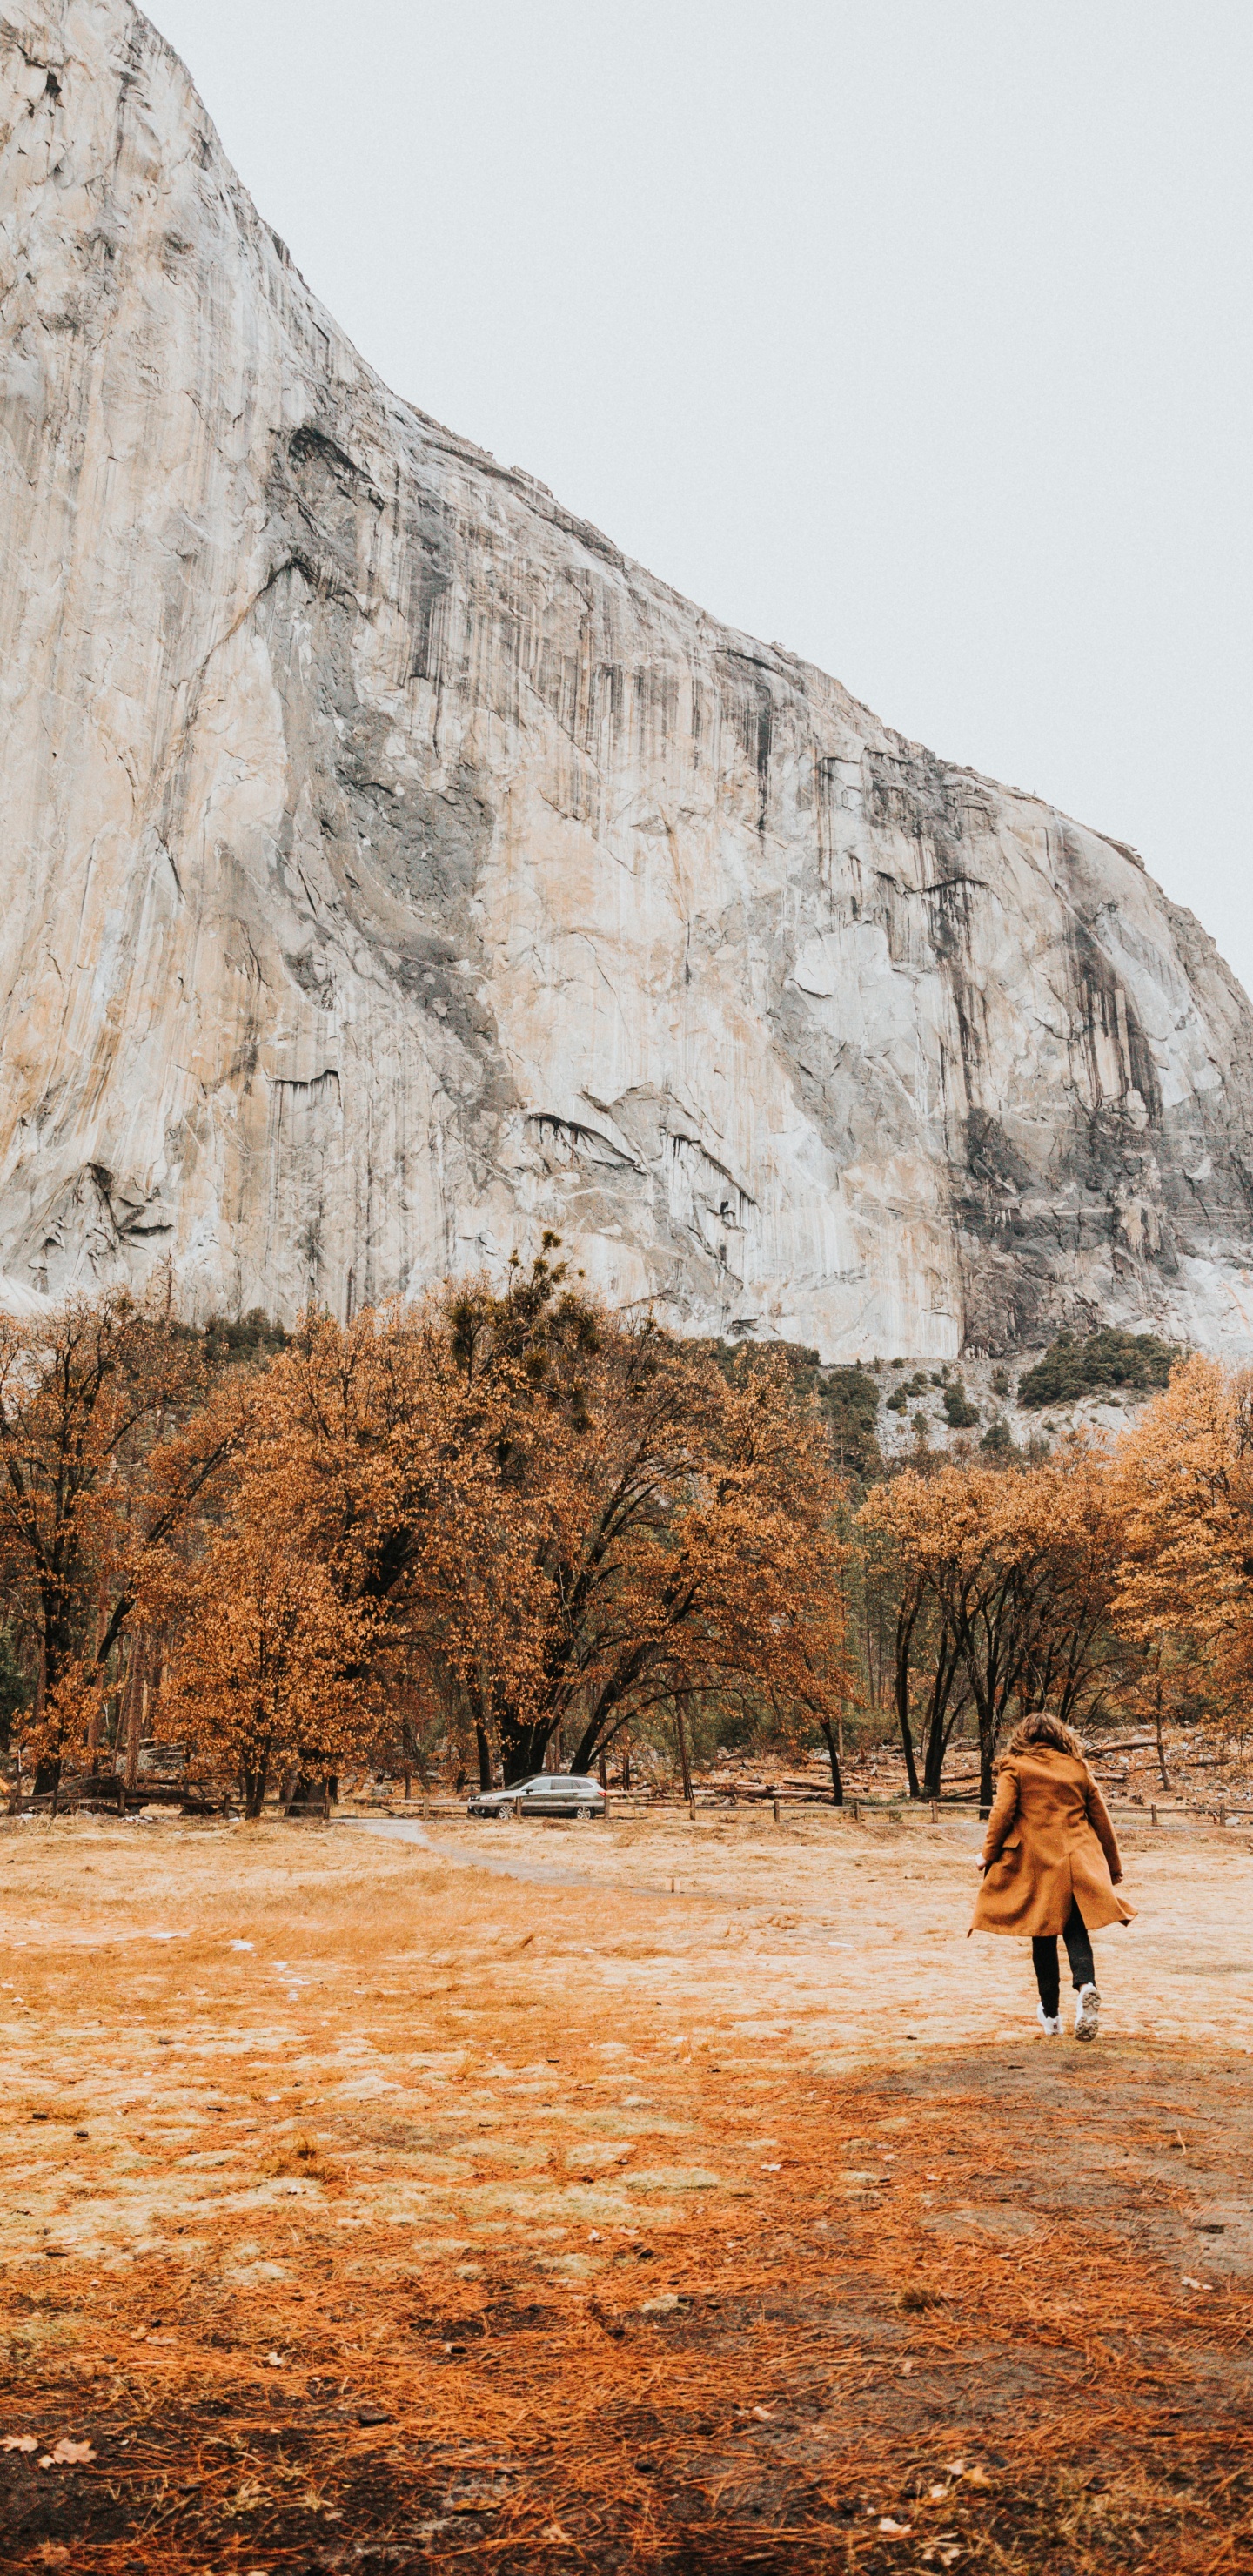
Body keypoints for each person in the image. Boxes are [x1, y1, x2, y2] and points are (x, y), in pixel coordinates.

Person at [970, 1709, 1135, 2039]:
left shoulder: (1015, 1766)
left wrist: (986, 1854)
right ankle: (1086, 1985)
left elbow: (1001, 1815)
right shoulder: (1076, 1767)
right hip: (1077, 1860)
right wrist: (1114, 1867)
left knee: (1042, 1936)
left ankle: (1052, 2016)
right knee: (1075, 1930)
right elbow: (1102, 1818)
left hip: (1037, 1863)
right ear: (1060, 1736)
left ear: (1023, 1737)